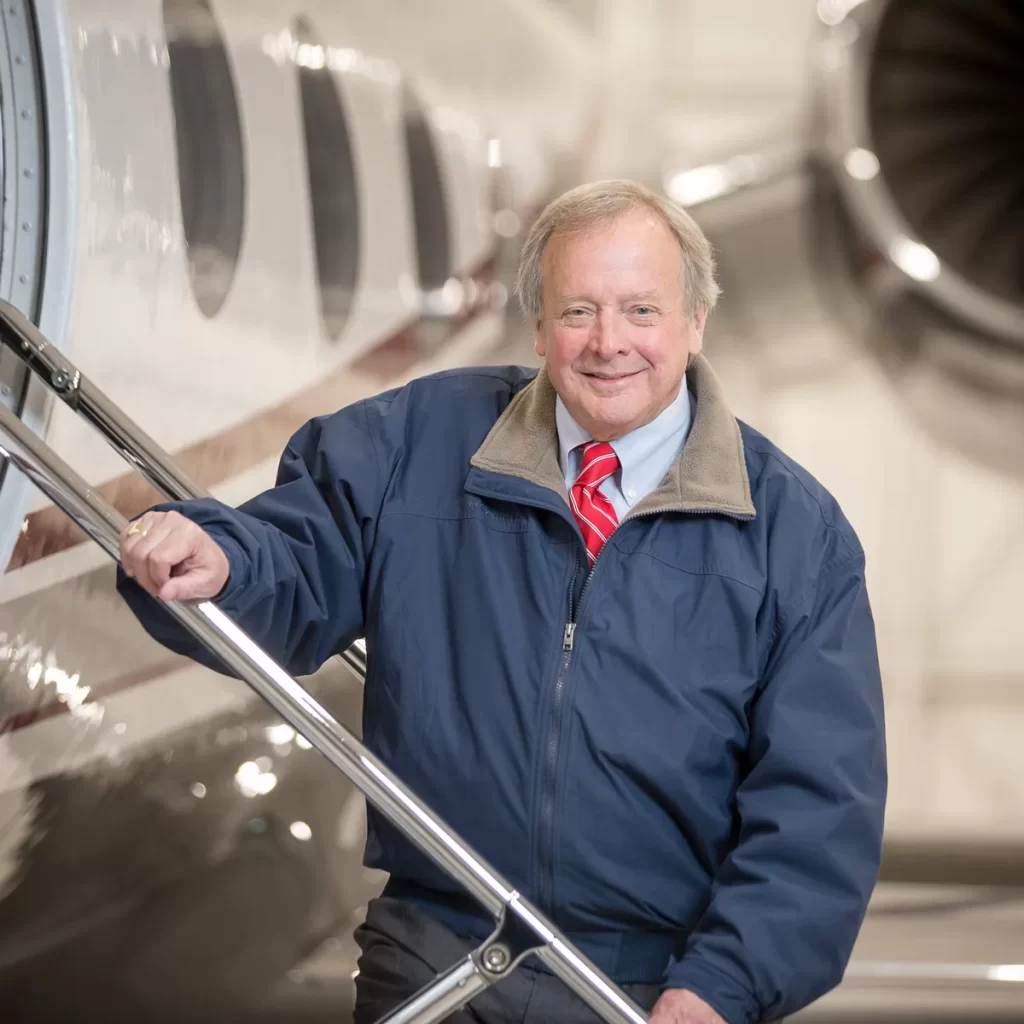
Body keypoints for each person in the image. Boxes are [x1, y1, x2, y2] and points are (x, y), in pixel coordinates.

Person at [117, 180, 887, 1024]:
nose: (607, 344)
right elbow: (295, 559)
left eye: (641, 311)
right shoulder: (415, 442)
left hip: (651, 984)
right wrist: (217, 558)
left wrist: (718, 990)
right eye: (577, 311)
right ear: (538, 325)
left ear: (696, 323)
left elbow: (817, 809)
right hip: (439, 949)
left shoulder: (796, 537)